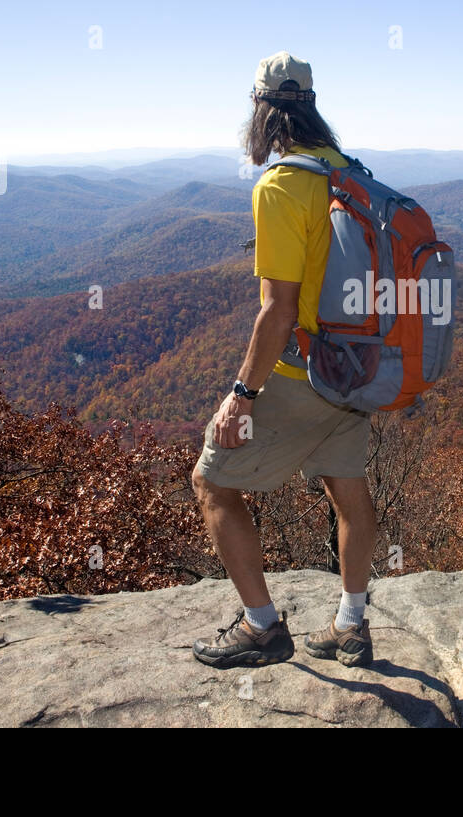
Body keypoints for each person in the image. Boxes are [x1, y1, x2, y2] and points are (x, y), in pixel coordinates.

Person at [191, 51, 376, 668]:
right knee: (348, 490)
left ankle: (262, 627)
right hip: (358, 369)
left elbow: (277, 310)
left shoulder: (280, 185)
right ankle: (351, 624)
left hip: (302, 375)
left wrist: (241, 394)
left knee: (212, 482)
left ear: (262, 112)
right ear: (313, 105)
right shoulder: (349, 172)